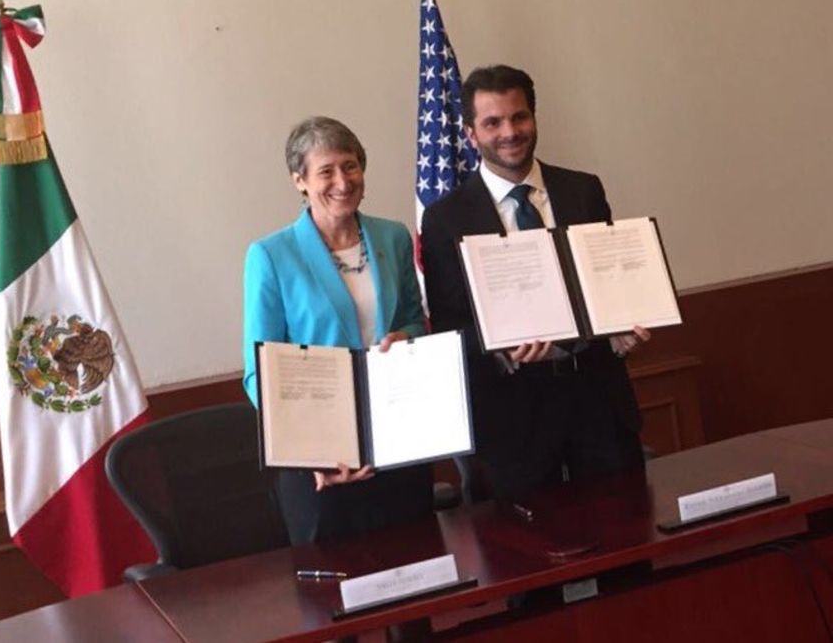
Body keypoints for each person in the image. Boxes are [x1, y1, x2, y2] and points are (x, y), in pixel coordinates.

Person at [421, 64, 650, 502]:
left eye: (519, 117)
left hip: (598, 403)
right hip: (513, 420)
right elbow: (450, 327)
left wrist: (623, 328)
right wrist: (501, 347)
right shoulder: (445, 218)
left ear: (534, 117)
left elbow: (610, 286)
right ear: (471, 133)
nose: (510, 132)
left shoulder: (583, 190)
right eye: (492, 122)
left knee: (626, 532)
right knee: (529, 542)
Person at [243, 116, 433, 544]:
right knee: (336, 580)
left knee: (418, 564)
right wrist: (308, 451)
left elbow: (414, 321)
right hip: (322, 461)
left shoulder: (393, 237)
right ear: (300, 181)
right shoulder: (271, 255)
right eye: (325, 171)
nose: (343, 182)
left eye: (350, 166)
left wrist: (406, 337)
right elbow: (258, 372)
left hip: (400, 439)